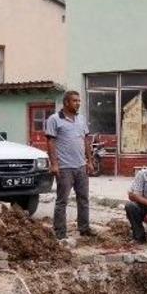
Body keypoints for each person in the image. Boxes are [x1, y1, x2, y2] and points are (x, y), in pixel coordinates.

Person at [45, 91, 94, 240]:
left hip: (81, 166)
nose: (78, 103)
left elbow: (85, 140)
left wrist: (89, 161)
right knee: (62, 201)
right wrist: (54, 164)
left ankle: (84, 228)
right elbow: (51, 142)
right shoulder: (54, 119)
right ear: (66, 103)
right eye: (75, 101)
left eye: (79, 101)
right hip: (64, 167)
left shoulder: (81, 119)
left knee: (83, 199)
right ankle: (60, 232)